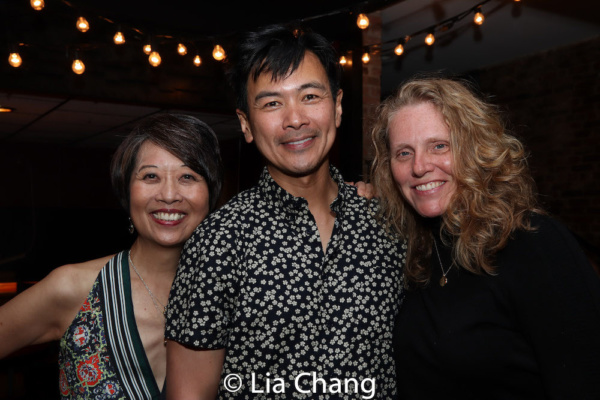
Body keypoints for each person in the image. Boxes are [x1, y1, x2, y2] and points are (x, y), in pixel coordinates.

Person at [165, 24, 405, 399]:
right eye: (272, 103)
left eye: (310, 96)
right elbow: (189, 392)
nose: (295, 119)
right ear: (246, 124)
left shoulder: (389, 223)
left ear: (338, 107)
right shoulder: (218, 242)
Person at [370, 75, 600, 399]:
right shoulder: (421, 251)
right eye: (404, 153)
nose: (419, 167)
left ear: (475, 150)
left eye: (439, 146)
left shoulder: (534, 243)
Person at [0, 113, 223, 399]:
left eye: (188, 176)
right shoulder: (74, 288)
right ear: (127, 190)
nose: (169, 194)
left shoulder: (230, 298)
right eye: (151, 176)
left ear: (211, 194)